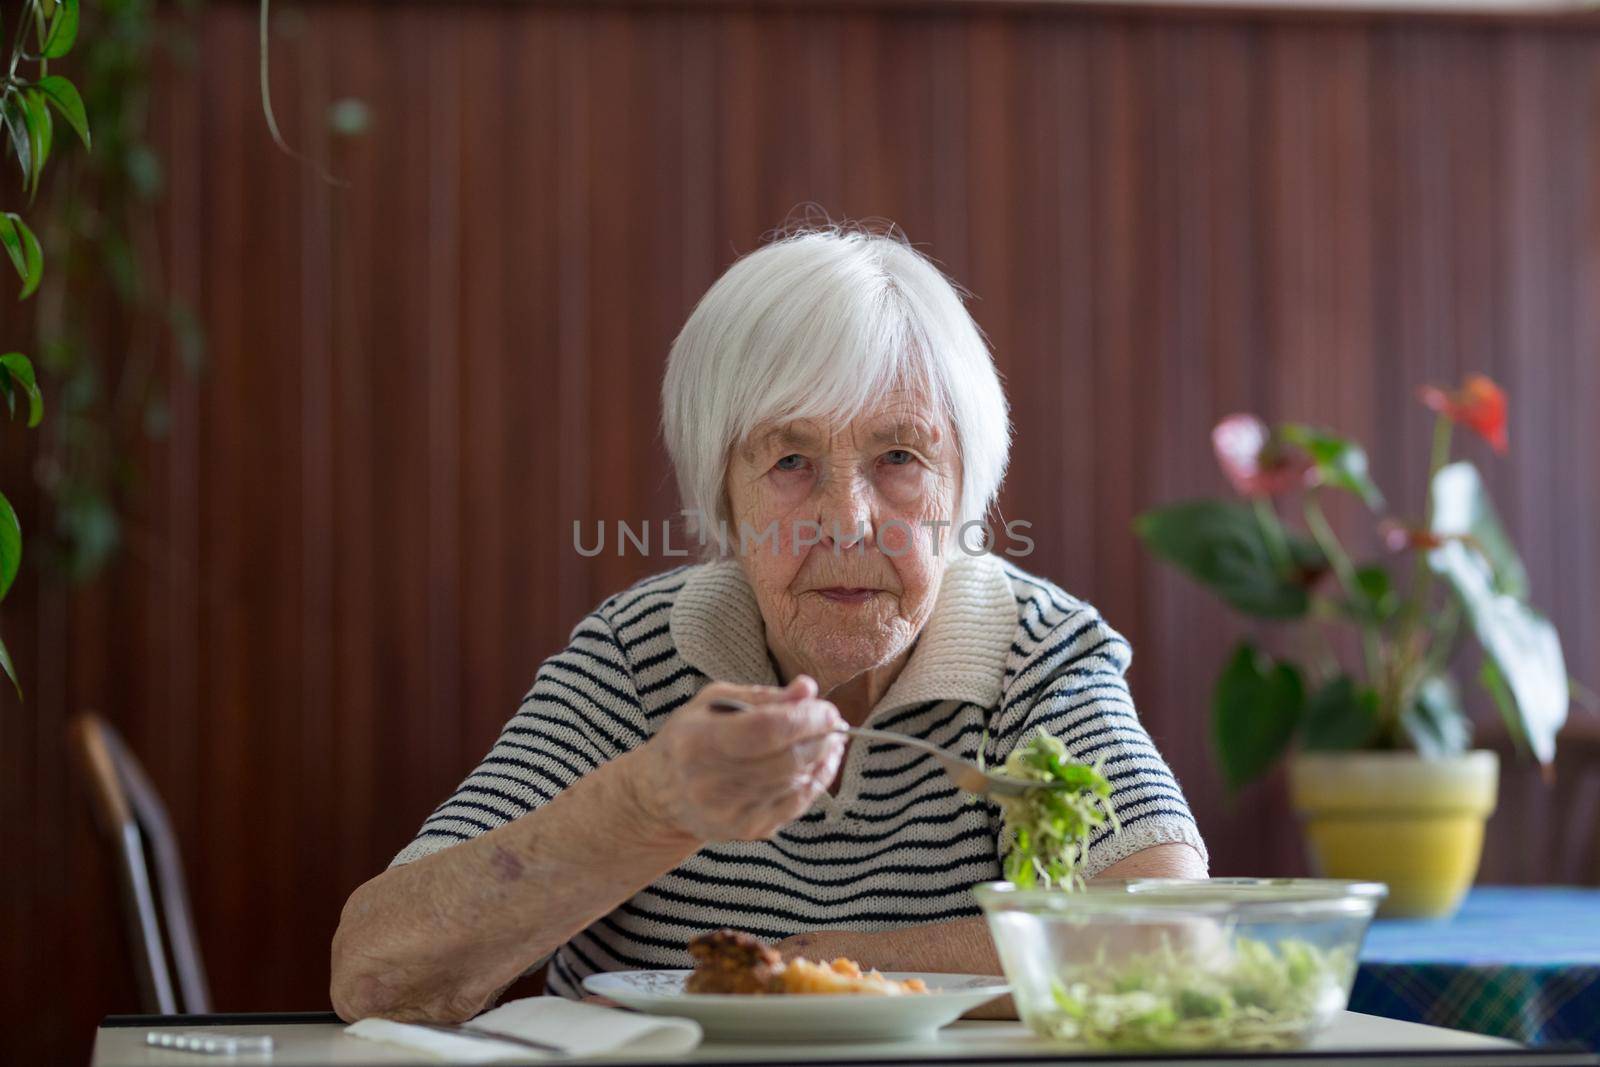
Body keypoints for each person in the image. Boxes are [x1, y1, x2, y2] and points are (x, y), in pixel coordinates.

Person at [330, 224, 1207, 1023]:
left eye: (900, 456)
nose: (848, 519)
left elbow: (1171, 944)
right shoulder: (638, 658)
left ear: (965, 488)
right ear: (724, 500)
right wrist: (649, 805)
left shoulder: (1034, 651)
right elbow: (378, 976)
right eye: (790, 460)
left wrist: (797, 975)